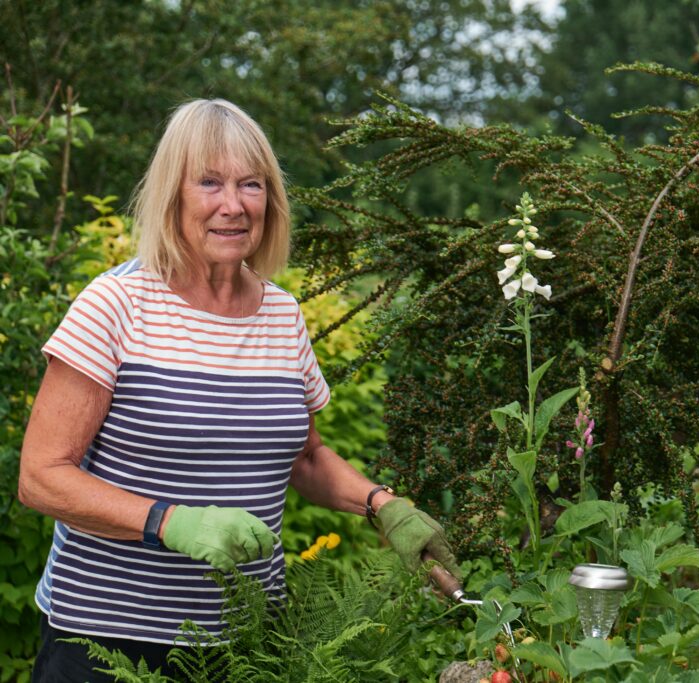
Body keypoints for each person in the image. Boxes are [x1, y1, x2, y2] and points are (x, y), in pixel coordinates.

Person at [18, 98, 459, 682]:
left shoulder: (281, 313)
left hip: (246, 640)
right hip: (107, 645)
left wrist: (385, 507)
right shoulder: (117, 303)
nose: (233, 205)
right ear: (171, 194)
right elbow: (41, 475)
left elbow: (306, 456)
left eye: (251, 184)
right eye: (209, 183)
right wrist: (171, 522)